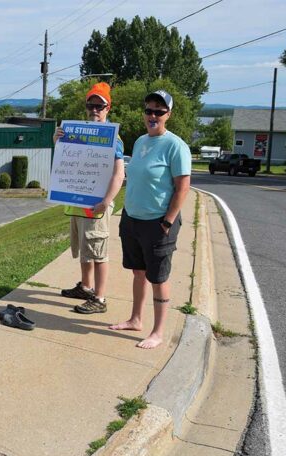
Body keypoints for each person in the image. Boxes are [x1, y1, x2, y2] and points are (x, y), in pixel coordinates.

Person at [109, 90, 191, 349]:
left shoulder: (176, 146)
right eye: (149, 110)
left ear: (168, 114)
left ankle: (157, 332)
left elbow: (182, 188)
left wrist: (167, 221)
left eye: (159, 111)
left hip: (158, 223)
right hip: (132, 218)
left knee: (158, 278)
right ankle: (136, 319)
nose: (153, 115)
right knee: (138, 271)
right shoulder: (141, 141)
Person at [54, 82, 125, 314]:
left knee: (98, 250)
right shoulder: (77, 133)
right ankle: (86, 287)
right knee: (85, 248)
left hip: (98, 205)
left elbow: (118, 173)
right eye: (91, 105)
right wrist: (58, 141)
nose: (95, 109)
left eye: (100, 105)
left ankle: (100, 298)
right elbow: (68, 162)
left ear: (108, 108)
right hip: (78, 203)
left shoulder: (113, 138)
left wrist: (106, 201)